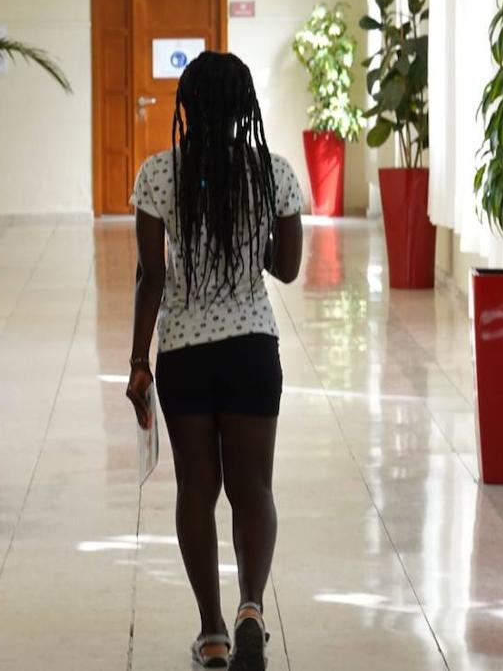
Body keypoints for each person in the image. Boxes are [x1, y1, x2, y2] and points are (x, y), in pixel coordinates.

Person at [125, 51, 303, 671]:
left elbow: (151, 277)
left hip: (185, 356)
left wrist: (137, 363)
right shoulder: (272, 173)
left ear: (187, 106)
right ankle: (253, 605)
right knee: (253, 487)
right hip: (253, 348)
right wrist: (245, 237)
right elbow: (287, 267)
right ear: (244, 108)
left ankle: (213, 632)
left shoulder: (158, 174)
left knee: (197, 490)